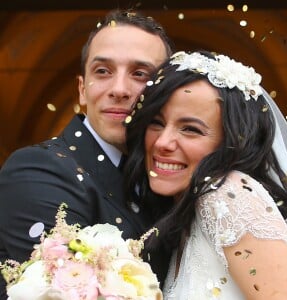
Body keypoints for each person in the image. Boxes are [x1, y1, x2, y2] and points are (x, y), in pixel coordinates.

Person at [0, 10, 174, 299]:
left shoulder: (166, 179)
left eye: (140, 74)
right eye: (103, 71)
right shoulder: (37, 169)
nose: (119, 89)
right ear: (82, 89)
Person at [124, 50, 287, 299]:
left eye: (190, 129)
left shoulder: (228, 194)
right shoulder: (187, 215)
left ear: (231, 143)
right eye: (157, 122)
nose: (163, 142)